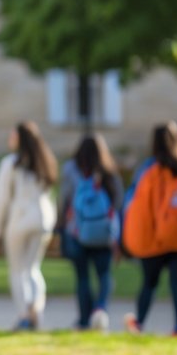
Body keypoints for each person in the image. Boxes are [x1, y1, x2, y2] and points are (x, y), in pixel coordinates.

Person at [122, 122, 177, 336]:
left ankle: (139, 323)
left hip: (154, 239)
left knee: (149, 284)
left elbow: (135, 203)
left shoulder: (149, 169)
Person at [0, 121, 58, 331]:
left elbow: (1, 200)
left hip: (20, 219)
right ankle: (36, 309)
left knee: (17, 270)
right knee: (33, 268)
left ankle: (25, 314)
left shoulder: (11, 164)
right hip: (43, 220)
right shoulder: (45, 163)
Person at [58, 133, 124, 331]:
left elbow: (63, 199)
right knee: (104, 274)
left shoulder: (71, 170)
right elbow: (118, 200)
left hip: (77, 231)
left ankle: (84, 319)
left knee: (82, 277)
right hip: (103, 233)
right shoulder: (109, 171)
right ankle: (100, 309)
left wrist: (62, 222)